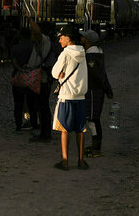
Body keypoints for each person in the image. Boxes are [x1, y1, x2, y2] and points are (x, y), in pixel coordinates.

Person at [51, 24, 89, 170]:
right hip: (80, 97)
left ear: (68, 38)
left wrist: (60, 74)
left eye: (61, 38)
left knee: (65, 129)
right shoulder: (83, 53)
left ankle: (65, 161)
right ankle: (81, 160)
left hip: (67, 96)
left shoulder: (65, 53)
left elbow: (54, 72)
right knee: (81, 130)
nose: (60, 41)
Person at [80, 29, 113, 158]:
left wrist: (104, 88)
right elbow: (103, 74)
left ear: (88, 40)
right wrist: (108, 89)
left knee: (93, 120)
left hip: (93, 91)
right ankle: (95, 147)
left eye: (83, 37)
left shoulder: (91, 55)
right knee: (93, 119)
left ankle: (96, 149)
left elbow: (97, 75)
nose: (81, 39)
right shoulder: (97, 52)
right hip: (96, 90)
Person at [30, 20, 57, 143]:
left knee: (43, 106)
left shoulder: (44, 40)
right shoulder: (47, 41)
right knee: (42, 106)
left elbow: (37, 32)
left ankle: (45, 134)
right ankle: (44, 132)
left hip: (43, 80)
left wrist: (29, 17)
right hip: (44, 79)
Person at [10, 28, 39, 134]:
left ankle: (18, 126)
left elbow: (13, 61)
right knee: (33, 102)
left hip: (18, 77)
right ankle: (34, 124)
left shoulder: (15, 48)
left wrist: (20, 69)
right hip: (32, 77)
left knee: (18, 102)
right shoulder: (34, 47)